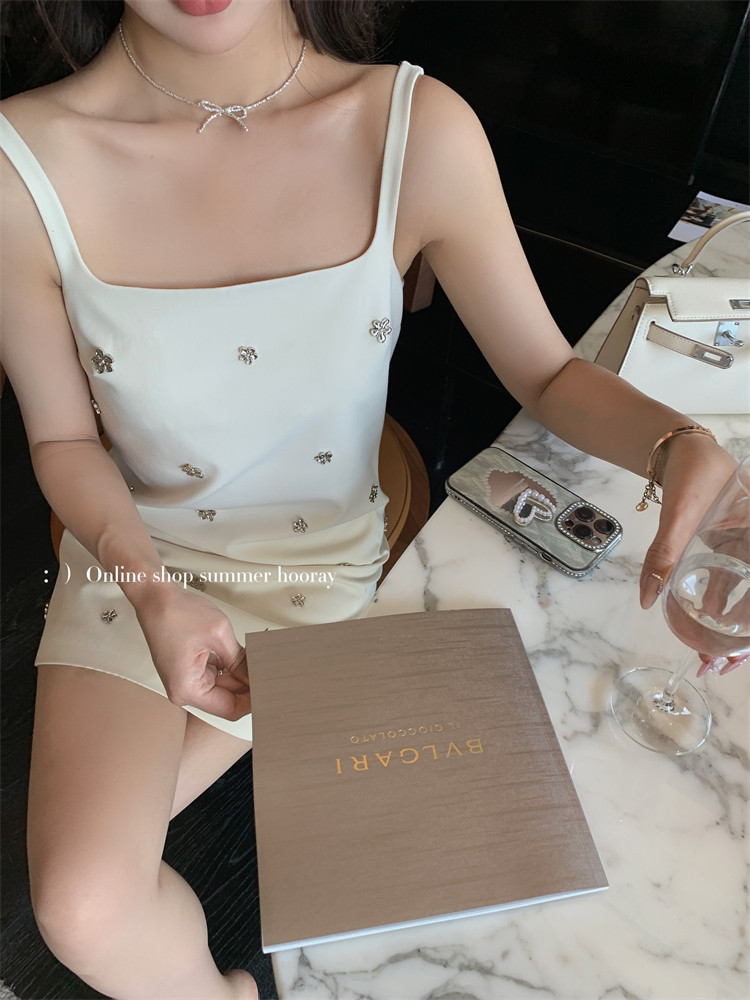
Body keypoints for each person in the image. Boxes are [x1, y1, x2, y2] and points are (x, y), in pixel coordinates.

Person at [0, 1, 738, 997]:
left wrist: (677, 443)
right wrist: (150, 591)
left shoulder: (417, 127)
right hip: (137, 564)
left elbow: (548, 373)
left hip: (321, 569)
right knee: (83, 904)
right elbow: (59, 439)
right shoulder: (20, 162)